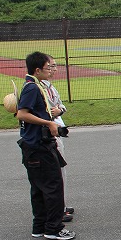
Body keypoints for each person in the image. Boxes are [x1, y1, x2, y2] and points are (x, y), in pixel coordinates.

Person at [16, 52, 75, 240]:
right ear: (37, 70)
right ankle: (53, 228)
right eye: (48, 67)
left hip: (32, 144)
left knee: (39, 188)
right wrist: (49, 123)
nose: (51, 70)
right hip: (39, 145)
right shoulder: (33, 88)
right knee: (53, 186)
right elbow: (22, 114)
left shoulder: (33, 86)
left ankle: (39, 226)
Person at [41, 57, 74, 222]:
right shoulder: (39, 88)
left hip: (57, 131)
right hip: (49, 134)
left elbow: (61, 106)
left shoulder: (51, 87)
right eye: (51, 66)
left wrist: (59, 110)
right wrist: (53, 112)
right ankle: (57, 209)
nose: (54, 69)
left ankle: (61, 204)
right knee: (55, 173)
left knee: (61, 171)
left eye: (54, 66)